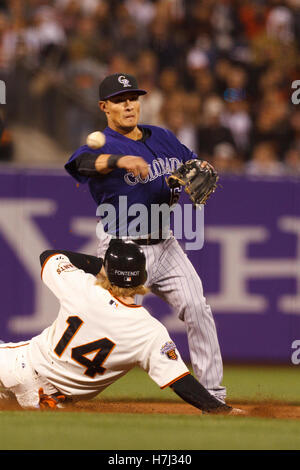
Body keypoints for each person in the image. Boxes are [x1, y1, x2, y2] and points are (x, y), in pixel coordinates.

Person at [64, 73, 226, 403]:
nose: (129, 105)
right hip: (122, 247)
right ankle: (61, 386)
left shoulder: (163, 137)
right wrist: (119, 160)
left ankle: (213, 396)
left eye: (133, 98)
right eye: (121, 100)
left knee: (197, 308)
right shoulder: (101, 144)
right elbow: (78, 164)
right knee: (106, 328)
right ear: (104, 107)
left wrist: (197, 167)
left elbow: (190, 163)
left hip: (165, 244)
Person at [0, 240, 241, 415]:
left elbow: (48, 256)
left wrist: (101, 267)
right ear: (142, 278)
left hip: (15, 367)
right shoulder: (148, 331)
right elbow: (180, 381)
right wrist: (220, 409)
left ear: (107, 271)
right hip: (48, 401)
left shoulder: (82, 287)